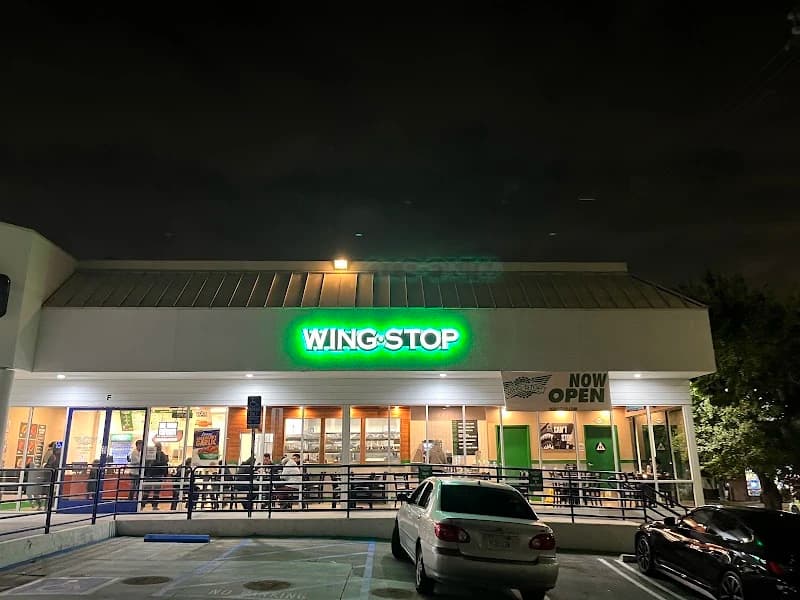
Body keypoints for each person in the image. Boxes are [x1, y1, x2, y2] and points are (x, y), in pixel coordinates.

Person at [141, 442, 168, 510]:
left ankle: (142, 506)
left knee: (147, 492)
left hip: (150, 475)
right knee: (156, 492)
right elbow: (165, 465)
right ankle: (154, 506)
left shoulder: (150, 454)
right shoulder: (163, 455)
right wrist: (165, 475)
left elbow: (146, 464)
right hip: (158, 475)